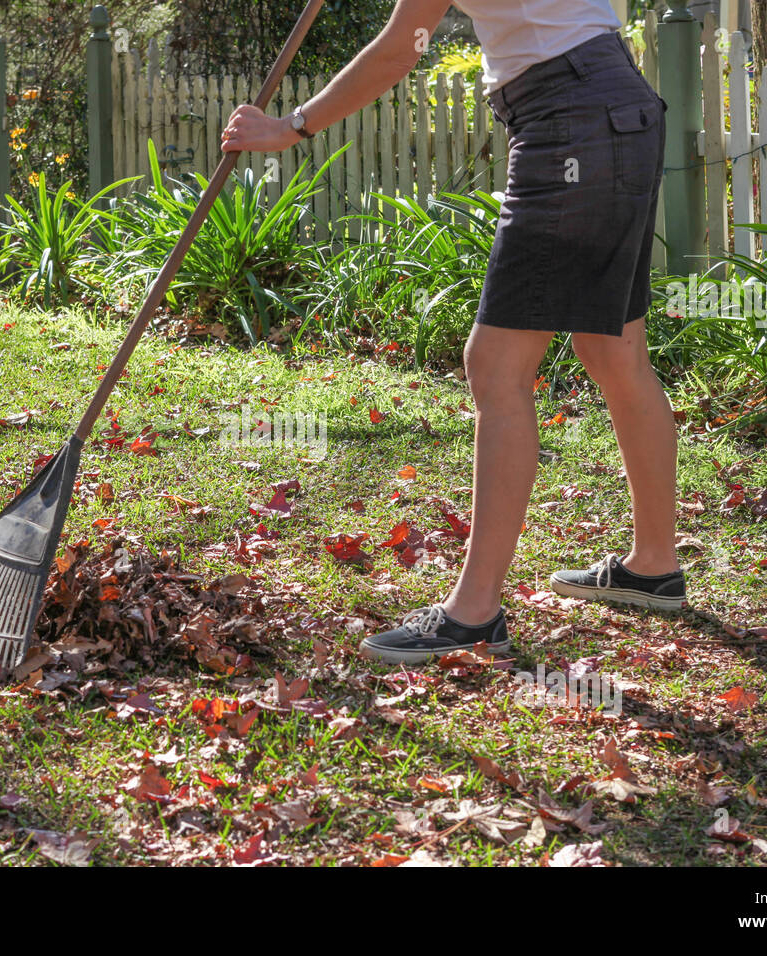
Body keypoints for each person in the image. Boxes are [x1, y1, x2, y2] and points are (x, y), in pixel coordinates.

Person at [220, 0, 686, 665]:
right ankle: (653, 565)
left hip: (571, 120)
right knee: (613, 349)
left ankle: (473, 614)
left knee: (496, 365)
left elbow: (400, 47)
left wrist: (292, 126)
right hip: (617, 105)